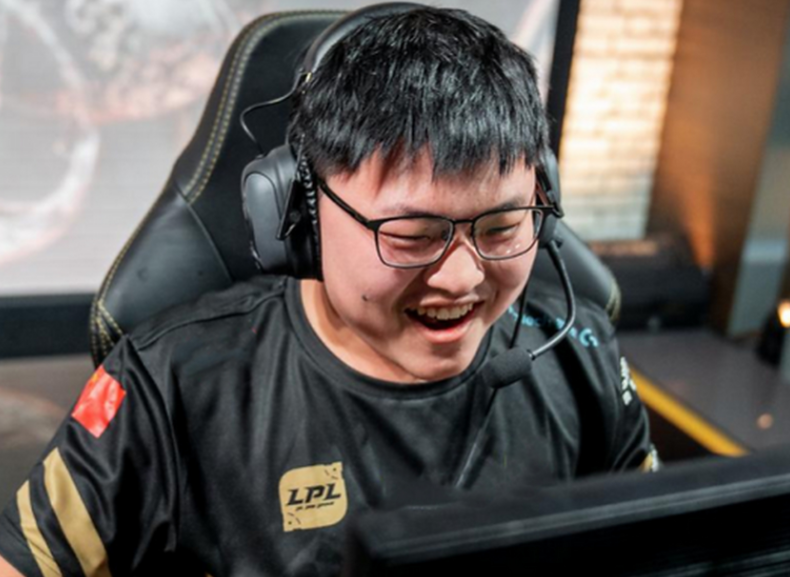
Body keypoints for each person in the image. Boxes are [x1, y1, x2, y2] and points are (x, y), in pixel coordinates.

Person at [0, 5, 656, 576]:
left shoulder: (579, 354)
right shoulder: (171, 384)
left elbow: (657, 547)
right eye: (411, 236)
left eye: (503, 227)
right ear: (301, 215)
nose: (462, 277)